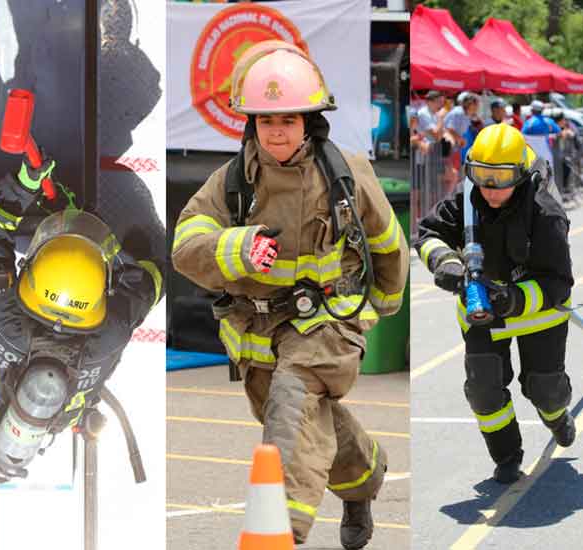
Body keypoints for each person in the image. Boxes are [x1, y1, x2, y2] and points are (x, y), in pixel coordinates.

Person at [171, 40, 408, 549]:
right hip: (258, 332)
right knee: (305, 420)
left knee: (292, 403)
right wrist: (235, 247)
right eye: (266, 122)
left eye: (289, 121)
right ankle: (364, 475)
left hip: (329, 324)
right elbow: (185, 244)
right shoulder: (232, 182)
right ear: (251, 124)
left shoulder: (345, 175)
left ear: (309, 121)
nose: (277, 132)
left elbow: (389, 244)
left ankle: (281, 531)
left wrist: (377, 308)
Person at [0, 139, 165, 479]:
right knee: (146, 271)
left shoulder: (0, 318)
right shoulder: (109, 334)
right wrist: (116, 253)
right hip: (58, 413)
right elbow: (149, 284)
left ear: (32, 268)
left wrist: (23, 185)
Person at [416, 123, 574, 484]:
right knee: (484, 390)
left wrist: (515, 299)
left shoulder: (544, 212)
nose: (488, 187)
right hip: (480, 313)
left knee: (545, 389)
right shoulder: (469, 200)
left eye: (499, 178)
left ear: (519, 175)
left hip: (538, 316)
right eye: (481, 175)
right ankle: (506, 455)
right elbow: (429, 233)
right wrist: (445, 262)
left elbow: (558, 283)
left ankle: (556, 416)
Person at [443, 92, 480, 193]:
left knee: (456, 176)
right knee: (452, 176)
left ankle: (450, 196)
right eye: (476, 104)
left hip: (456, 149)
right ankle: (447, 198)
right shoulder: (458, 113)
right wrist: (460, 139)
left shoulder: (465, 114)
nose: (477, 107)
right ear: (470, 104)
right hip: (449, 148)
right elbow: (449, 128)